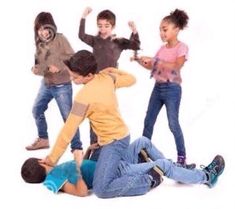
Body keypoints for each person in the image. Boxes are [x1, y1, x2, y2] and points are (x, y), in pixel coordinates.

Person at [21, 137, 225, 197]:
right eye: (44, 158)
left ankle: (179, 171)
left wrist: (90, 152)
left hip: (108, 162)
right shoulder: (54, 178)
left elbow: (86, 167)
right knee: (161, 165)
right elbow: (82, 192)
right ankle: (206, 176)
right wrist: (76, 167)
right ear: (42, 162)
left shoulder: (58, 170)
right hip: (115, 171)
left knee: (142, 141)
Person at [134, 9, 191, 167]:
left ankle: (182, 157)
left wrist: (154, 61)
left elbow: (176, 67)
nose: (161, 33)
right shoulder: (161, 49)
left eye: (165, 29)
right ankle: (142, 155)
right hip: (157, 88)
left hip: (172, 89)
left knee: (173, 123)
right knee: (148, 121)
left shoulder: (182, 48)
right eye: (160, 30)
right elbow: (154, 67)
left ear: (176, 29)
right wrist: (140, 61)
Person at [25, 12, 82, 153]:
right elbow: (39, 65)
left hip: (62, 85)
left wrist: (60, 67)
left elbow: (73, 57)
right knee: (37, 110)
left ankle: (77, 147)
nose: (42, 32)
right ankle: (43, 139)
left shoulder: (61, 39)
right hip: (46, 84)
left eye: (45, 28)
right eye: (39, 29)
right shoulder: (39, 44)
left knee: (68, 118)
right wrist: (35, 69)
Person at [79, 7, 140, 72]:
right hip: (97, 76)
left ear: (113, 26)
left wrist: (134, 31)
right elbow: (82, 36)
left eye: (106, 26)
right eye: (100, 26)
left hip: (112, 76)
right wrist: (83, 17)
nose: (103, 28)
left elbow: (135, 46)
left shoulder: (119, 41)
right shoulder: (95, 40)